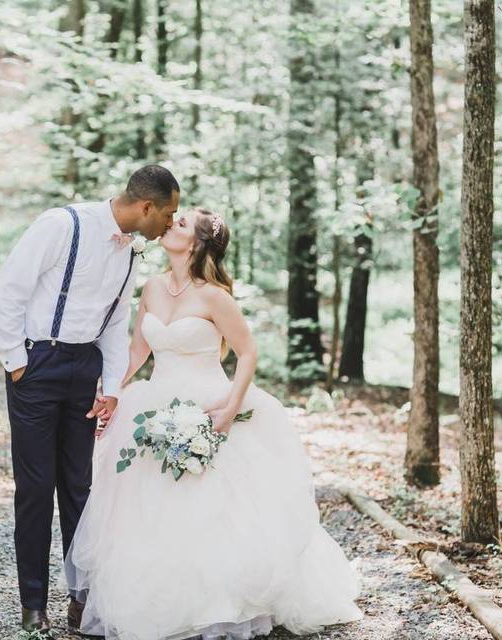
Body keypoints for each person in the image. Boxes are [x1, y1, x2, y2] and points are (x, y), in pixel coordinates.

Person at [64, 207, 363, 639]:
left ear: (199, 243)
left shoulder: (214, 296)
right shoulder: (150, 287)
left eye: (181, 223)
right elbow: (137, 352)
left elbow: (247, 353)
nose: (171, 224)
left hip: (208, 403)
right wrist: (112, 390)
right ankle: (155, 598)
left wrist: (228, 409)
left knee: (213, 509)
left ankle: (219, 602)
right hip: (154, 403)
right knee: (146, 504)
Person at [0, 165, 180, 634]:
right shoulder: (61, 225)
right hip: (37, 365)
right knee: (35, 490)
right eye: (169, 213)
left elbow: (116, 326)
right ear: (146, 206)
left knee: (80, 489)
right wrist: (16, 361)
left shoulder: (132, 255)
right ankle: (33, 605)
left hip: (85, 373)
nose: (171, 223)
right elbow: (9, 290)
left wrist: (112, 389)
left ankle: (82, 599)